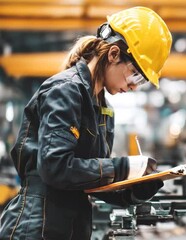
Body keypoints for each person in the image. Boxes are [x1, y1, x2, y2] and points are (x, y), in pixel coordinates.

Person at [0, 6, 172, 240]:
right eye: (136, 75)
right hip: (37, 227)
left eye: (141, 82)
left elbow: (88, 181)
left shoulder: (103, 108)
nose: (133, 86)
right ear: (113, 54)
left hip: (72, 227)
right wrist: (121, 167)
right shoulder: (65, 90)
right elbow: (55, 167)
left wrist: (133, 190)